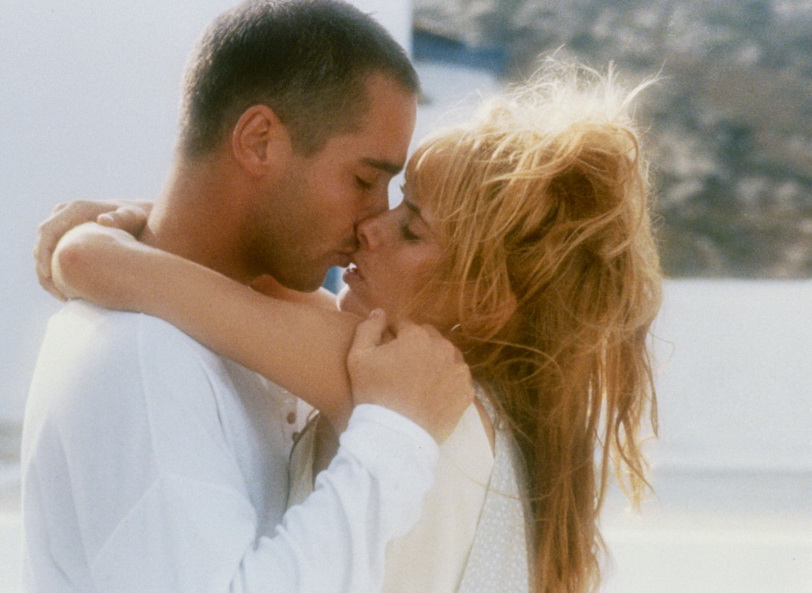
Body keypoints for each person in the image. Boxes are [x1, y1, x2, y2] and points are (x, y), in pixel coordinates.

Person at [37, 60, 663, 593]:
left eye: (412, 228)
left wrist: (94, 235)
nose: (371, 227)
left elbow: (95, 265)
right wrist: (143, 216)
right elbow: (252, 279)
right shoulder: (495, 421)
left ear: (485, 302)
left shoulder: (398, 377)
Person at [22, 0, 474, 593]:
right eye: (364, 179)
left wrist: (108, 238)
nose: (375, 219)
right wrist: (393, 440)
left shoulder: (252, 328)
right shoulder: (142, 357)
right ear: (259, 140)